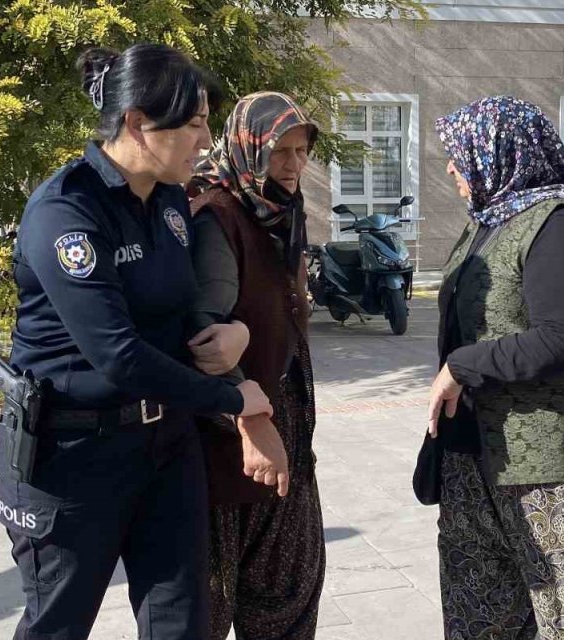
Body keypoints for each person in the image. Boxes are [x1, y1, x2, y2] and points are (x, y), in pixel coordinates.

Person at [0, 43, 273, 640]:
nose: (206, 141)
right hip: (73, 453)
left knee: (183, 621)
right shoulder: (65, 211)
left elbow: (180, 317)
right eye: (195, 124)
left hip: (166, 444)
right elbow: (117, 354)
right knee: (58, 624)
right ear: (138, 124)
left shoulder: (170, 199)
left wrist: (237, 341)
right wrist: (232, 403)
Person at [424, 96, 564, 640]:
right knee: (483, 609)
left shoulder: (560, 222)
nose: (452, 166)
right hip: (474, 452)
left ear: (501, 150)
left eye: (460, 153)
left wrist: (463, 366)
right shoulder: (489, 221)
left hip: (553, 459)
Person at [187, 92, 326, 640]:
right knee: (211, 607)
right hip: (229, 447)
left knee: (289, 594)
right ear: (248, 149)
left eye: (301, 151)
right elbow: (203, 336)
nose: (293, 166)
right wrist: (250, 419)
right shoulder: (218, 217)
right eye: (279, 152)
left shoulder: (280, 215)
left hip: (284, 429)